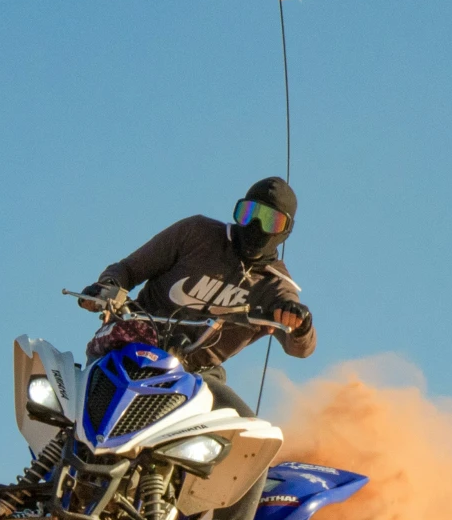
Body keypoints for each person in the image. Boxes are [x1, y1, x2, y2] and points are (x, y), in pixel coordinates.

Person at [79, 177, 316, 416]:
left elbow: (300, 347)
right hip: (131, 350)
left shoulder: (275, 286)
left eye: (270, 221)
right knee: (71, 404)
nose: (256, 224)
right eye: (249, 213)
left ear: (285, 231)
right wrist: (107, 287)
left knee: (249, 434)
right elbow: (128, 270)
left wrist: (300, 324)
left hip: (195, 378)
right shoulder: (196, 233)